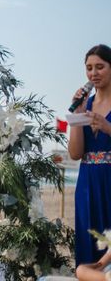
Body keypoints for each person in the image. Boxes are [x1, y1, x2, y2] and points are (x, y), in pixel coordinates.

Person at [68, 44, 111, 266]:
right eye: (89, 68)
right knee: (89, 244)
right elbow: (75, 153)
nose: (93, 73)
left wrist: (107, 127)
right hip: (87, 183)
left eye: (100, 67)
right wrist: (77, 115)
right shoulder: (87, 104)